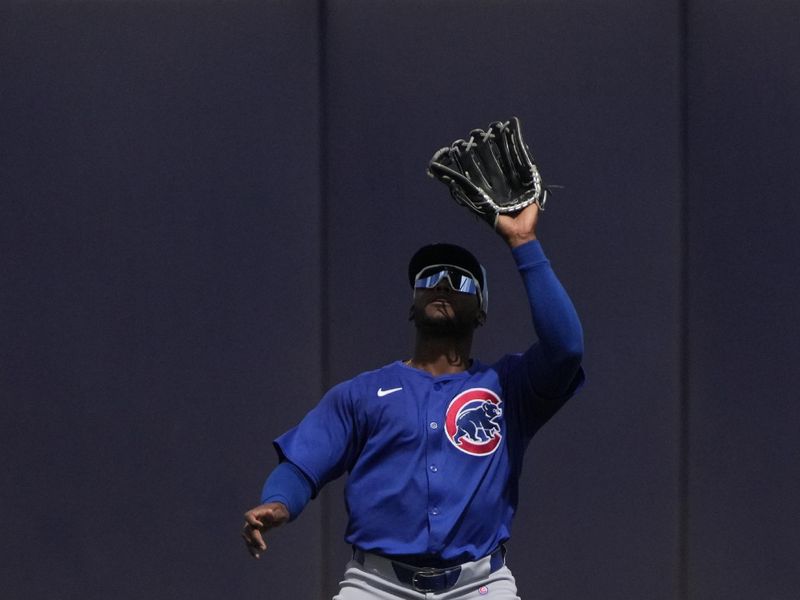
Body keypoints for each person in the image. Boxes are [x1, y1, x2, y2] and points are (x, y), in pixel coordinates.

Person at [241, 202, 585, 599]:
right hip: (375, 585)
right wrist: (279, 502)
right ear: (411, 304)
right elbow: (302, 466)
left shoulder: (508, 387)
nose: (442, 284)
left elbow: (567, 348)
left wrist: (524, 243)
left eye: (461, 281)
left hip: (481, 585)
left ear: (482, 311)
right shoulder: (363, 393)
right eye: (430, 277)